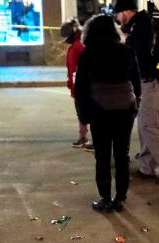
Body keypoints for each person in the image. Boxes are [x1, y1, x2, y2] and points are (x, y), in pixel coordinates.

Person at [74, 14, 142, 212]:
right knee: (122, 155)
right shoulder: (127, 51)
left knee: (102, 156)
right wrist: (135, 104)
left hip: (99, 109)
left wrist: (83, 115)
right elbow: (136, 83)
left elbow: (81, 89)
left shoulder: (88, 54)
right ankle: (120, 198)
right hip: (124, 109)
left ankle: (105, 198)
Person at [114, 0, 159, 182]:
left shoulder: (143, 25)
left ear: (125, 11)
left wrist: (125, 44)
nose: (117, 18)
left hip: (155, 79)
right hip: (150, 80)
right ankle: (147, 167)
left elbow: (143, 52)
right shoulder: (140, 24)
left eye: (118, 14)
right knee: (145, 125)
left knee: (148, 125)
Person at [61, 19, 93, 151]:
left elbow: (76, 70)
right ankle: (83, 137)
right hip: (79, 85)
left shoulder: (78, 46)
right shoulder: (77, 45)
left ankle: (90, 139)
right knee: (82, 113)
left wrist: (75, 86)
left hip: (82, 86)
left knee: (86, 112)